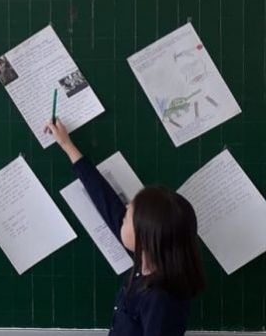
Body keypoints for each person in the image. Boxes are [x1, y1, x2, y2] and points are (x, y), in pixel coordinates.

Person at [46, 118, 205, 336]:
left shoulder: (162, 299)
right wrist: (67, 146)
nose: (124, 211)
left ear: (145, 238)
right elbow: (107, 203)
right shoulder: (147, 261)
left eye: (127, 218)